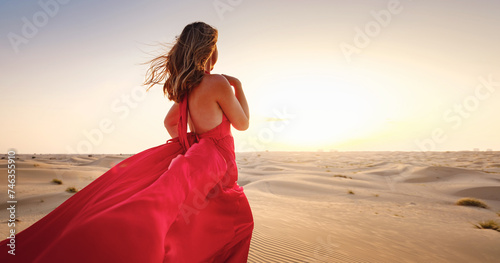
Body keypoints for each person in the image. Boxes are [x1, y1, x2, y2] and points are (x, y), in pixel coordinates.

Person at [0, 21, 254, 262]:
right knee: (236, 220)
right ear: (210, 49)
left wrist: (193, 143)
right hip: (217, 158)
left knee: (197, 218)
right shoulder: (218, 83)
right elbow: (242, 124)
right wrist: (239, 87)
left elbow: (170, 123)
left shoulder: (188, 87)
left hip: (202, 154)